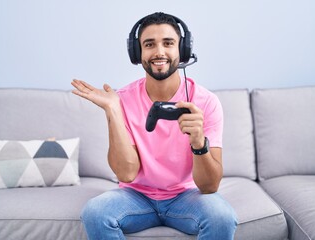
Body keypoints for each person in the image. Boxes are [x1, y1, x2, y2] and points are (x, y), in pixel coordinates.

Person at [71, 12, 237, 240]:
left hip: (186, 196)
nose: (159, 52)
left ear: (183, 50)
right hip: (136, 196)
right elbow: (126, 173)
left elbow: (209, 186)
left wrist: (199, 142)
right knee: (95, 213)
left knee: (222, 217)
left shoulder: (206, 102)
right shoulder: (122, 100)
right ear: (138, 52)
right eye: (149, 44)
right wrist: (113, 111)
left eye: (168, 43)